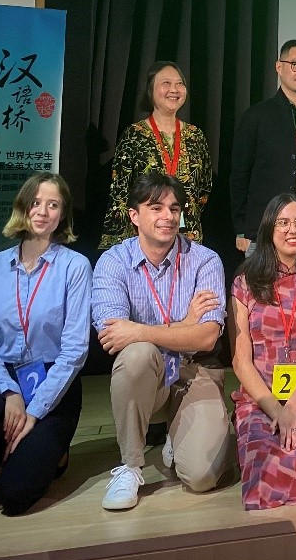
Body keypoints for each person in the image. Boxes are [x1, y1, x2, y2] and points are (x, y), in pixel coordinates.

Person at [0, 173, 91, 516]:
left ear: (62, 214)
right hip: (6, 378)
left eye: (53, 205)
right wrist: (10, 392)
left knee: (15, 496)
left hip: (56, 380)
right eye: (35, 202)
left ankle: (57, 452)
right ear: (22, 207)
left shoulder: (75, 267)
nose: (43, 211)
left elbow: (74, 351)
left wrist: (34, 411)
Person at [92, 171, 233, 510]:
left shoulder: (205, 260)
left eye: (174, 208)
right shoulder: (113, 262)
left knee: (202, 477)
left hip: (195, 369)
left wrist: (140, 330)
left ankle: (179, 433)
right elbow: (113, 336)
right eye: (155, 208)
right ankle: (130, 466)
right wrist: (183, 326)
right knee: (137, 356)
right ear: (134, 215)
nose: (168, 217)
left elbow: (207, 336)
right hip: (149, 377)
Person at [229, 194, 296, 509]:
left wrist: (293, 407)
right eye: (283, 222)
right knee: (265, 470)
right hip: (260, 398)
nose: (293, 230)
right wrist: (278, 412)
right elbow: (241, 361)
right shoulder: (245, 283)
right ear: (269, 229)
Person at [231, 39, 296, 257]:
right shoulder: (257, 116)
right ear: (278, 67)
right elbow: (239, 175)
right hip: (264, 226)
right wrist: (241, 228)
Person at [101, 61, 213, 249]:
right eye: (166, 83)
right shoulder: (134, 135)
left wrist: (180, 212)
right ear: (150, 90)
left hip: (187, 235)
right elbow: (120, 193)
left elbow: (204, 188)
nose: (174, 89)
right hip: (144, 238)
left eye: (179, 84)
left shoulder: (196, 136)